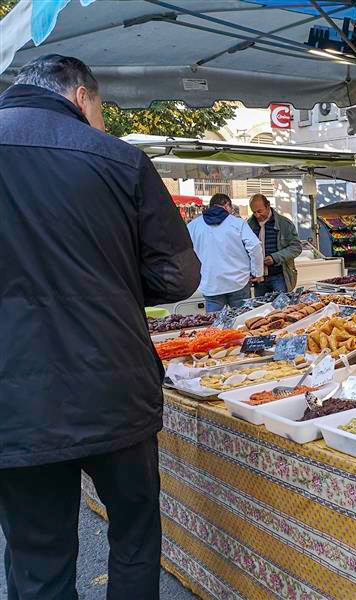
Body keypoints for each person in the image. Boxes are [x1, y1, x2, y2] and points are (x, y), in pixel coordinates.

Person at [0, 55, 201, 599]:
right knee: (134, 538)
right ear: (83, 97)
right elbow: (179, 276)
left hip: (13, 400)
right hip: (115, 385)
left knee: (36, 556)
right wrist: (114, 286)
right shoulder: (119, 159)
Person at [188, 193, 264, 312]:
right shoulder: (238, 223)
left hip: (211, 284)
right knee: (242, 322)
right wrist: (257, 273)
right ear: (226, 205)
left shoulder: (193, 226)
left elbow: (186, 253)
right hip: (238, 282)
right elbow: (255, 246)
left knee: (216, 327)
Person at [246, 194, 302, 295]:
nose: (257, 215)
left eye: (259, 211)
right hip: (259, 279)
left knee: (282, 308)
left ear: (268, 206)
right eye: (254, 212)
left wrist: (275, 257)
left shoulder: (285, 224)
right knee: (260, 309)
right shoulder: (248, 225)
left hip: (280, 275)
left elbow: (296, 247)